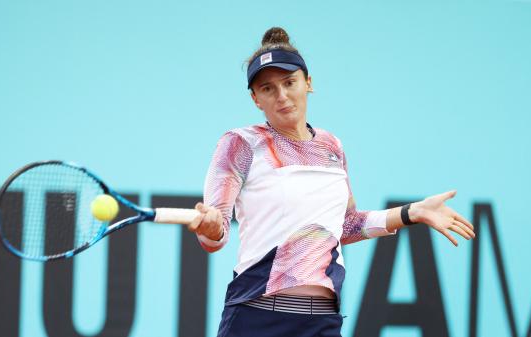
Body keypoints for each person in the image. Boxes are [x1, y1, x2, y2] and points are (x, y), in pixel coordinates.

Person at [188, 27, 475, 337]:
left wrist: (412, 213)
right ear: (256, 98)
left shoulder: (331, 147)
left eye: (289, 82)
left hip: (322, 322)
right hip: (256, 318)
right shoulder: (239, 144)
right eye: (268, 88)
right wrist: (210, 227)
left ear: (308, 83)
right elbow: (214, 233)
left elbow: (347, 225)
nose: (282, 95)